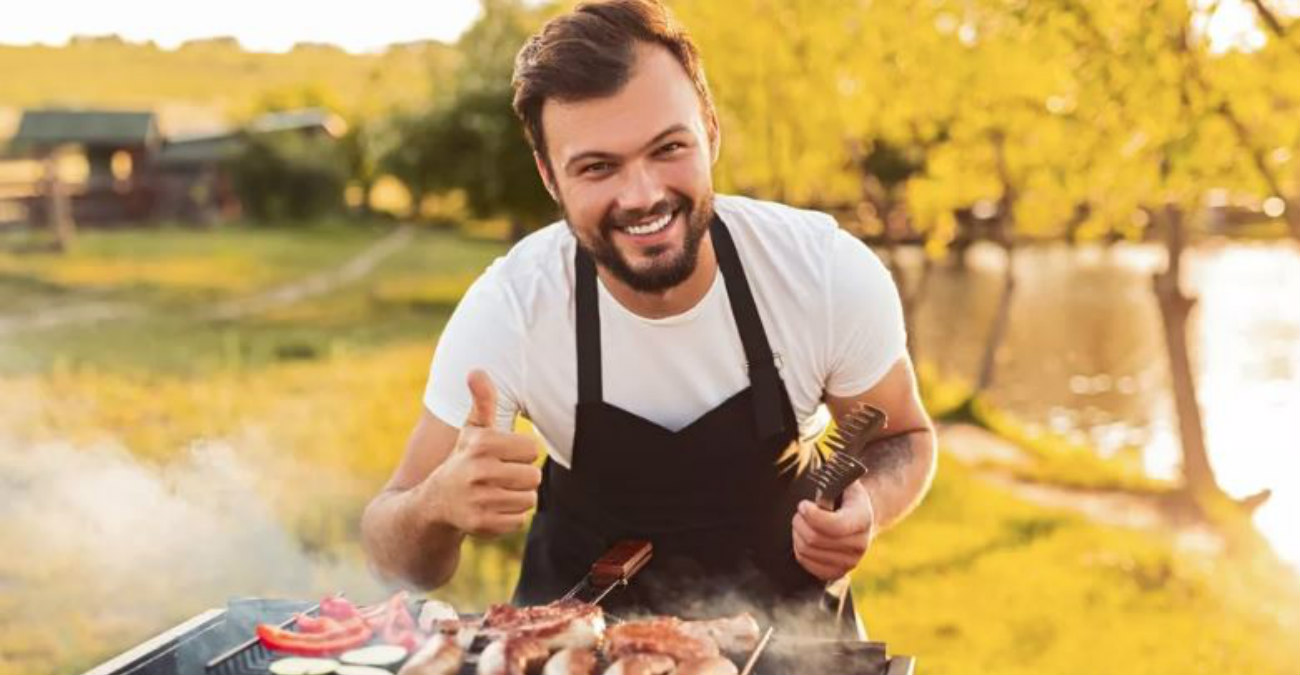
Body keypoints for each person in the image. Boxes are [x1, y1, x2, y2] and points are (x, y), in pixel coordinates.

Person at [361, 0, 936, 636]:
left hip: (782, 643)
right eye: (598, 166)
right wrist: (439, 505)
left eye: (668, 148)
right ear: (550, 176)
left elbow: (901, 437)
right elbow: (394, 550)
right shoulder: (512, 308)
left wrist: (869, 506)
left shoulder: (821, 273)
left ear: (710, 131)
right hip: (575, 643)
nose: (642, 196)